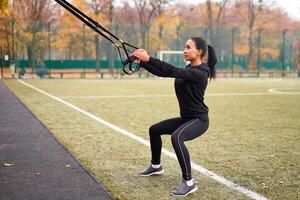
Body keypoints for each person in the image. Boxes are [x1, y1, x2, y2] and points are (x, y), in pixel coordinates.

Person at [132, 37, 217, 197]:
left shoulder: (200, 73)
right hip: (186, 119)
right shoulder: (188, 69)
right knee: (155, 130)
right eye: (184, 47)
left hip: (199, 120)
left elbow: (171, 70)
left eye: (188, 47)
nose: (184, 50)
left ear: (199, 51)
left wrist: (149, 58)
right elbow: (164, 73)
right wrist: (143, 63)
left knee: (177, 137)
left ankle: (189, 182)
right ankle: (156, 166)